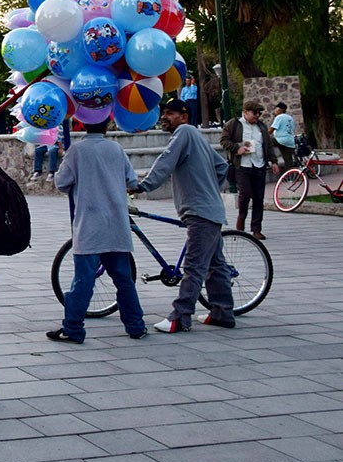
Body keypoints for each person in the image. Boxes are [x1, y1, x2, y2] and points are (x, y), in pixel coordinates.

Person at [131, 98, 234, 333]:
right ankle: (222, 312)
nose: (164, 117)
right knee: (216, 265)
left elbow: (165, 161)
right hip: (210, 209)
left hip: (200, 212)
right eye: (164, 113)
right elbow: (222, 168)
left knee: (194, 266)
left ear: (184, 117)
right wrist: (209, 189)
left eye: (170, 113)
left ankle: (180, 317)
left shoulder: (184, 132)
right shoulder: (196, 135)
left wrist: (143, 186)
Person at [47, 118, 146, 343]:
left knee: (83, 280)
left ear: (84, 124)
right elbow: (131, 181)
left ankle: (73, 328)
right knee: (124, 279)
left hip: (89, 225)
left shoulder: (76, 151)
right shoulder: (116, 149)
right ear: (107, 126)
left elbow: (61, 183)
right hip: (117, 224)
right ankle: (136, 325)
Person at [220, 100, 279, 241]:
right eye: (254, 113)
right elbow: (224, 141)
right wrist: (237, 148)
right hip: (242, 166)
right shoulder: (234, 124)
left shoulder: (261, 127)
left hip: (259, 165)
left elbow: (268, 145)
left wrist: (274, 161)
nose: (257, 116)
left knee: (258, 197)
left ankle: (256, 229)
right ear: (245, 112)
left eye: (259, 113)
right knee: (245, 194)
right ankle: (241, 221)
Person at [270, 102, 297, 170]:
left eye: (276, 109)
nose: (275, 111)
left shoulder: (279, 117)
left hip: (281, 140)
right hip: (290, 142)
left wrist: (264, 135)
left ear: (280, 110)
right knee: (288, 161)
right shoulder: (290, 117)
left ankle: (270, 160)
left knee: (267, 141)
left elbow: (271, 129)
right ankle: (291, 174)